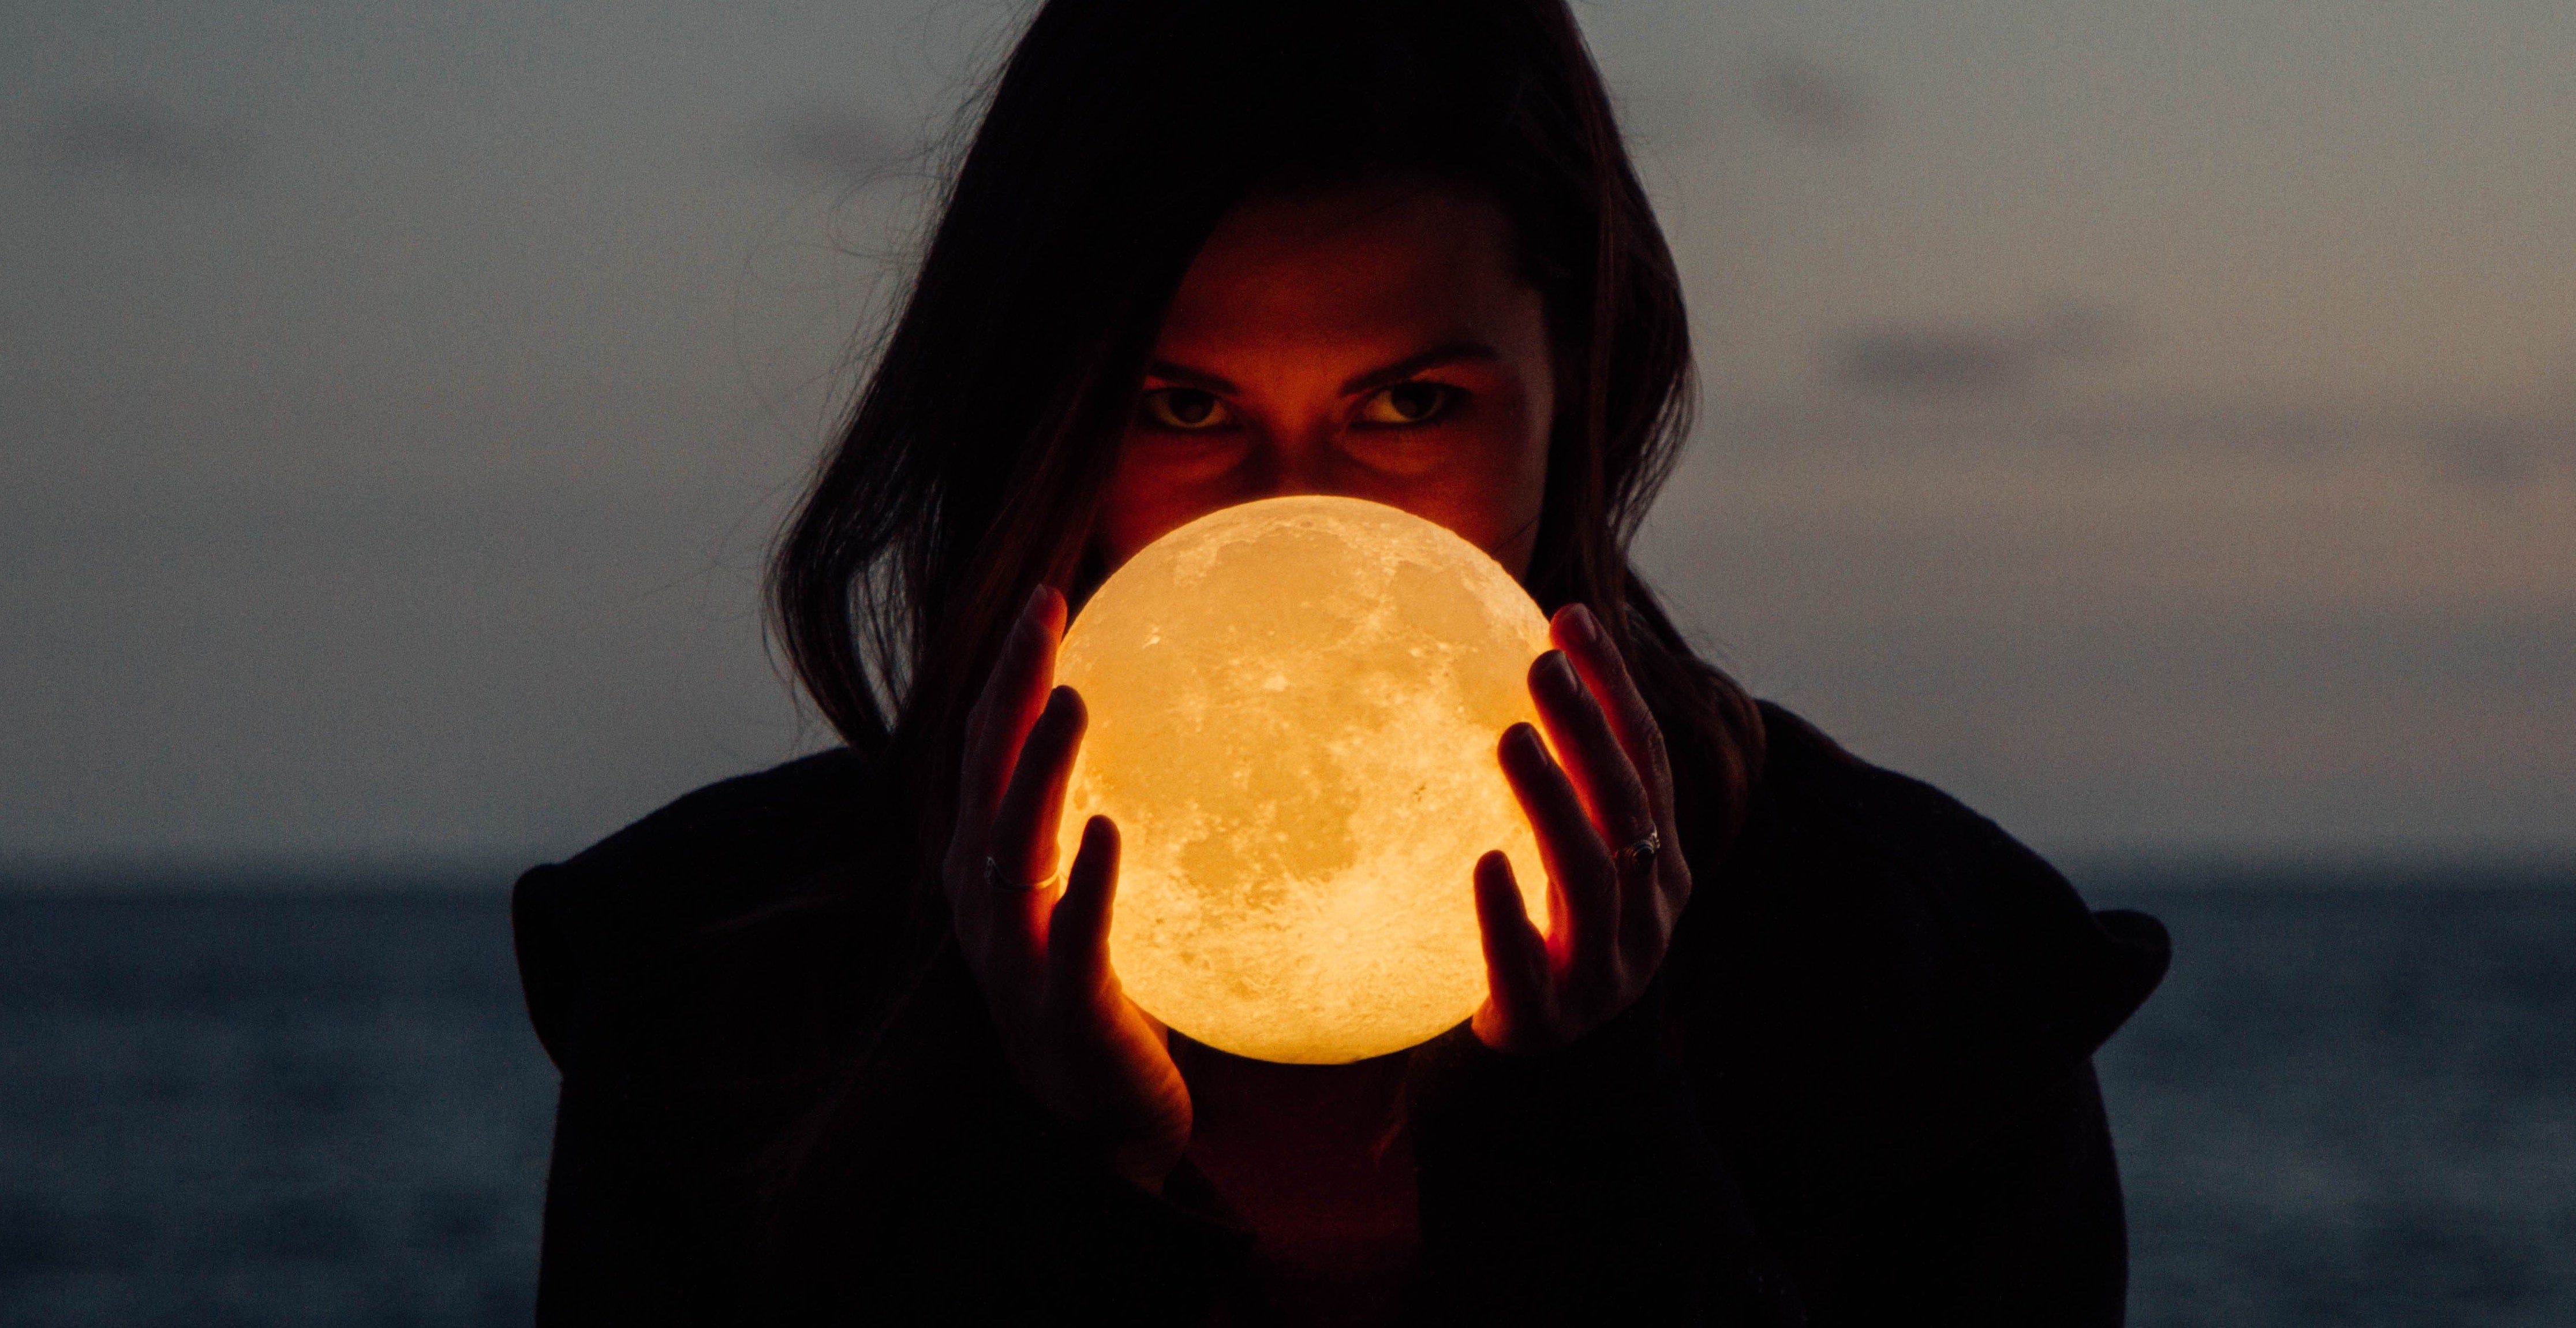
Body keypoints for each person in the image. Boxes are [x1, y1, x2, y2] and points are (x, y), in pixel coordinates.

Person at [509, 1, 2171, 1323]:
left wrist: (1585, 1130)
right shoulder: (711, 992)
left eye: (1410, 405)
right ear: (1046, 409)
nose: (1296, 526)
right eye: (1182, 406)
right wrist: (1062, 1177)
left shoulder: (1924, 987)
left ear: (1574, 387)